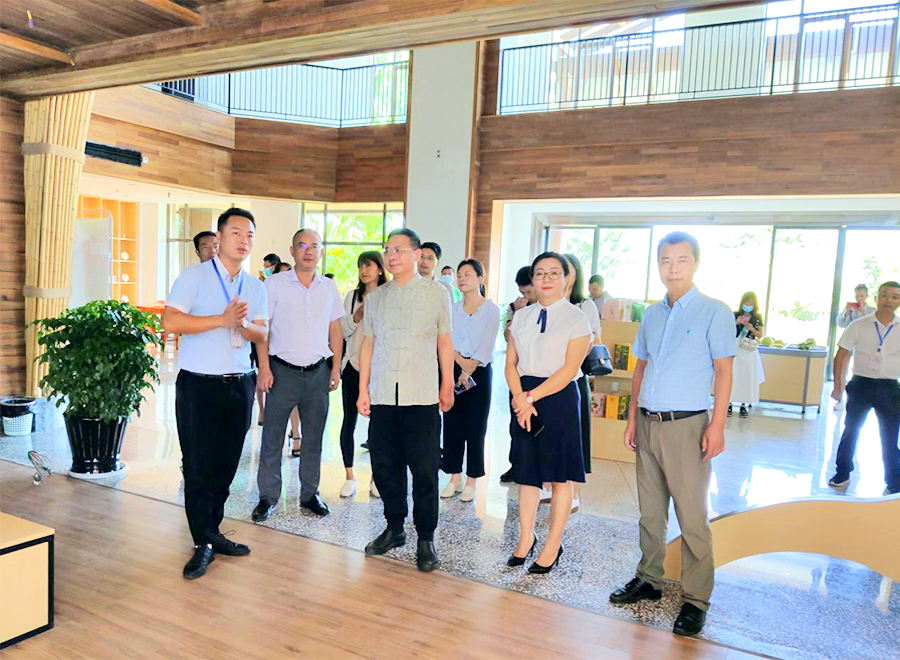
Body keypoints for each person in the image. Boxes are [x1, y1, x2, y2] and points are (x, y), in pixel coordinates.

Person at [609, 231, 735, 638]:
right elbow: (641, 367)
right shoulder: (651, 314)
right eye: (665, 260)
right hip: (648, 422)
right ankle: (649, 578)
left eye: (681, 260)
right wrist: (632, 418)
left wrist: (717, 424)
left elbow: (724, 370)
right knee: (650, 511)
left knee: (692, 516)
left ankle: (696, 599)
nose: (673, 268)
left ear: (695, 264)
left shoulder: (715, 311)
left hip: (688, 426)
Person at [162, 208, 268, 579]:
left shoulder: (255, 286)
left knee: (226, 466)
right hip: (198, 385)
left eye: (249, 235)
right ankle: (202, 541)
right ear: (219, 238)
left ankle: (212, 532)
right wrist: (222, 320)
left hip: (239, 384)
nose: (244, 240)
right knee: (198, 466)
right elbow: (170, 321)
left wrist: (243, 324)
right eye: (236, 232)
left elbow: (262, 333)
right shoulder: (194, 277)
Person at [357, 228, 454, 572]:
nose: (391, 255)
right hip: (384, 394)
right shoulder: (377, 297)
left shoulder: (436, 293)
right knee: (385, 467)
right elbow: (368, 343)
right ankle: (394, 528)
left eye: (398, 249)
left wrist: (447, 384)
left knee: (425, 471)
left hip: (421, 396)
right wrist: (363, 389)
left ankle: (426, 537)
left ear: (416, 254)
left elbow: (444, 341)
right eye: (388, 250)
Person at [506, 252, 592, 574]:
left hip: (558, 397)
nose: (546, 279)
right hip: (523, 395)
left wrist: (530, 398)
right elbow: (510, 363)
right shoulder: (522, 317)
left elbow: (570, 369)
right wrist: (520, 397)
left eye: (554, 272)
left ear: (566, 278)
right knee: (526, 472)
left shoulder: (576, 318)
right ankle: (525, 537)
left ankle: (553, 544)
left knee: (559, 475)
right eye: (540, 273)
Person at [251, 229, 344, 523]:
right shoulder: (275, 284)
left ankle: (310, 494)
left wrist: (336, 367)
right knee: (273, 436)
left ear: (321, 252)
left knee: (314, 438)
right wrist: (264, 368)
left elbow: (335, 328)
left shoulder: (328, 287)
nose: (308, 251)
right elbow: (263, 328)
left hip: (318, 372)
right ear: (292, 251)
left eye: (314, 246)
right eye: (302, 246)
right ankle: (268, 497)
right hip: (282, 371)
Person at [828, 281, 900, 496]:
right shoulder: (858, 325)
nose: (888, 300)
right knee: (851, 431)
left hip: (890, 388)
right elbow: (841, 355)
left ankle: (894, 482)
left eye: (895, 296)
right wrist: (838, 386)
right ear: (875, 298)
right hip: (861, 385)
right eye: (884, 295)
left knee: (890, 437)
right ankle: (842, 474)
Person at [441, 259, 501, 502]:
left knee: (475, 428)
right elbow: (446, 340)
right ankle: (454, 477)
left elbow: (487, 345)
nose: (461, 278)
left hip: (480, 371)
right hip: (453, 366)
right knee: (452, 425)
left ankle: (472, 481)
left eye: (467, 274)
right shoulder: (453, 309)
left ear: (479, 278)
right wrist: (459, 363)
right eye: (459, 275)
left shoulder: (491, 310)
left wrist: (468, 370)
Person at [339, 251, 388, 498]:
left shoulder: (388, 296)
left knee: (378, 426)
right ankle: (349, 476)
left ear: (379, 269)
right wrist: (357, 316)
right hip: (352, 366)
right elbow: (341, 330)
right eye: (360, 266)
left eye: (369, 265)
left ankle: (376, 477)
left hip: (378, 369)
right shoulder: (352, 297)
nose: (364, 270)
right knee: (349, 421)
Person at [564, 253, 601, 509]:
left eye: (566, 270)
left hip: (574, 379)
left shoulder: (585, 305)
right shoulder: (547, 305)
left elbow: (590, 341)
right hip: (547, 379)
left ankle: (573, 491)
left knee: (575, 438)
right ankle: (551, 485)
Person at [500, 265, 539, 484]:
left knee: (537, 422)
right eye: (522, 292)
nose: (526, 296)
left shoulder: (545, 309)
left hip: (540, 376)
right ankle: (516, 466)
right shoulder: (514, 308)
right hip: (517, 376)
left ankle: (535, 467)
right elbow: (508, 337)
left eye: (529, 292)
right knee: (516, 424)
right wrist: (517, 312)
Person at [834, 284, 876, 411]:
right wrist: (846, 312)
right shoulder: (850, 309)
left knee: (860, 371)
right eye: (857, 296)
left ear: (867, 296)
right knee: (843, 370)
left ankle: (861, 400)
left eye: (862, 296)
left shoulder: (872, 310)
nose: (859, 299)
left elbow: (874, 326)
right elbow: (840, 324)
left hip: (865, 345)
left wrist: (864, 313)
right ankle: (840, 399)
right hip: (849, 343)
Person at [730, 291, 765, 419]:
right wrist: (736, 323)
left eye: (750, 303)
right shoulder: (735, 314)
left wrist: (751, 328)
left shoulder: (757, 317)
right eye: (746, 302)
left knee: (747, 376)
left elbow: (760, 335)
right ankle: (729, 403)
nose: (748, 305)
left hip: (749, 349)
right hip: (735, 347)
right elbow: (726, 329)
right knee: (733, 375)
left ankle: (744, 404)